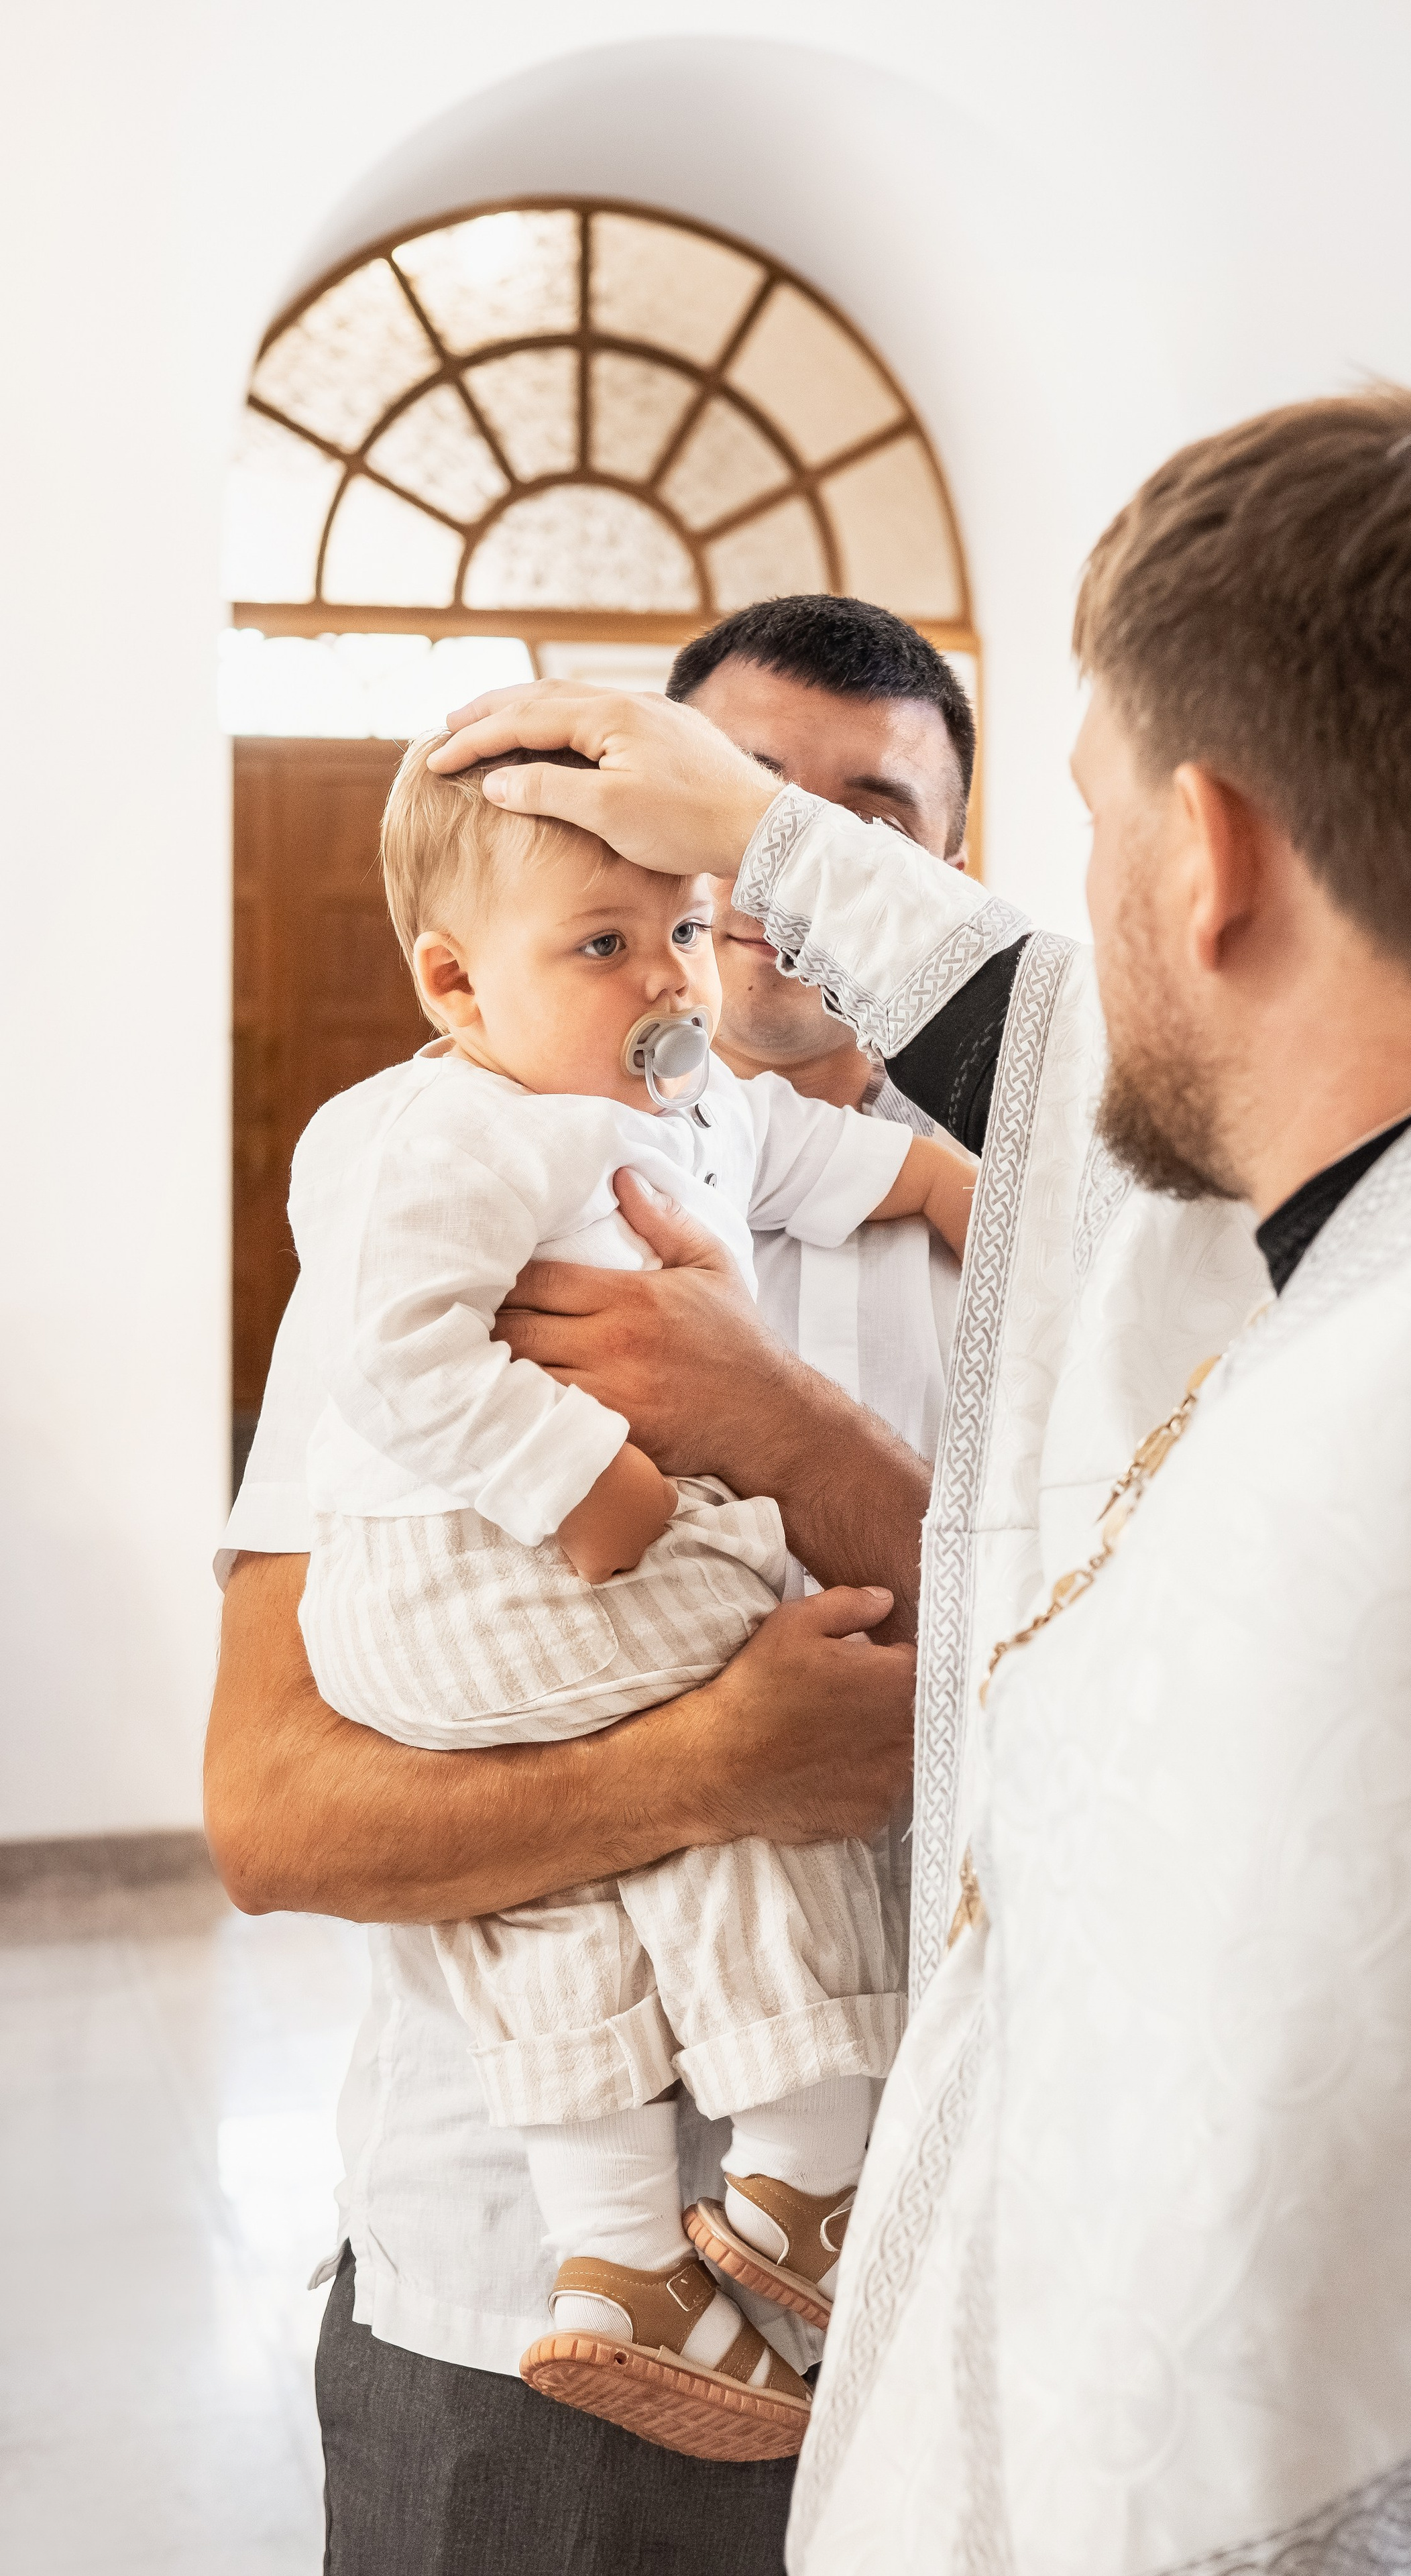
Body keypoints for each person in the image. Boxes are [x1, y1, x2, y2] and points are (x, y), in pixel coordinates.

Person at [435, 388, 1411, 2567]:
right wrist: (768, 841)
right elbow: (1067, 1067)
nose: (1067, 905)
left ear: (1203, 852)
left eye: (1088, 816)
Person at [204, 596, 981, 2571]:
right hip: (504, 2323)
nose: (769, 884)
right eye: (736, 800)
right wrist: (717, 1759)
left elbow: (1132, 1712)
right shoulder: (454, 1176)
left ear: (946, 879)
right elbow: (274, 1811)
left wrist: (788, 1424)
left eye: (862, 823)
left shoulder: (1037, 1229)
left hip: (957, 2305)